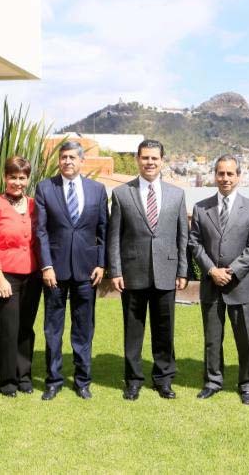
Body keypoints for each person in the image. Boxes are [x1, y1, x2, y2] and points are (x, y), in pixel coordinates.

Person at [108, 139, 188, 401]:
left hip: (166, 271)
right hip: (132, 273)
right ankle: (133, 380)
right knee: (133, 330)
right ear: (137, 160)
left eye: (154, 158)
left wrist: (183, 271)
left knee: (164, 329)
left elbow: (182, 236)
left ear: (162, 161)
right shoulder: (122, 194)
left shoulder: (177, 194)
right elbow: (114, 236)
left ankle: (163, 379)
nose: (150, 162)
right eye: (145, 158)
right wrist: (116, 271)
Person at [35, 141, 108, 400]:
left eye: (72, 158)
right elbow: (41, 231)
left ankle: (82, 380)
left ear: (81, 161)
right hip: (54, 271)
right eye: (63, 157)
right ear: (59, 160)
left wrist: (101, 263)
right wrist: (46, 265)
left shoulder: (98, 190)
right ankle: (53, 380)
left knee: (83, 328)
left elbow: (103, 230)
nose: (67, 161)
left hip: (87, 271)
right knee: (53, 328)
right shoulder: (45, 188)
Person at [189, 155, 249, 405]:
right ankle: (212, 381)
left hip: (239, 286)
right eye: (221, 173)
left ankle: (247, 385)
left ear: (238, 176)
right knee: (212, 338)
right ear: (215, 176)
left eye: (230, 174)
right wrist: (212, 270)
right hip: (211, 285)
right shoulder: (201, 208)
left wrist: (229, 272)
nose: (225, 178)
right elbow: (195, 243)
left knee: (245, 340)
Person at [0, 156, 42, 397]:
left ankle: (24, 376)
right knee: (8, 328)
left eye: (22, 177)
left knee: (26, 327)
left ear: (28, 179)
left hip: (32, 276)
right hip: (5, 277)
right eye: (13, 177)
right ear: (5, 178)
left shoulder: (35, 205)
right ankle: (8, 381)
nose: (18, 182)